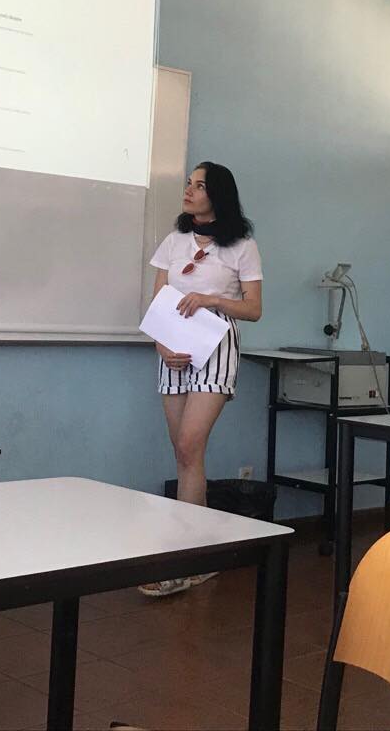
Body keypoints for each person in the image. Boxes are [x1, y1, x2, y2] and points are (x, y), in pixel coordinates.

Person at [139, 162, 263, 598]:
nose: (188, 191)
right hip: (172, 348)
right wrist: (161, 345)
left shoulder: (242, 245)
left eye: (199, 185)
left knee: (192, 445)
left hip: (215, 345)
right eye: (188, 184)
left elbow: (253, 308)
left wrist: (211, 299)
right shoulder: (174, 240)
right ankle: (203, 555)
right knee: (184, 453)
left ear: (219, 194)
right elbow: (158, 301)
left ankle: (182, 560)